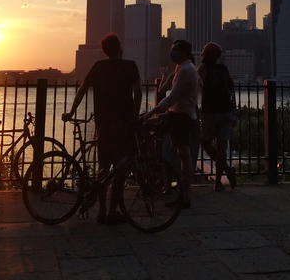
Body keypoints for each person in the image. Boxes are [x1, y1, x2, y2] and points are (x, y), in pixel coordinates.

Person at [63, 34, 141, 225]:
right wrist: (136, 115)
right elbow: (138, 91)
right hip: (124, 123)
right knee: (121, 169)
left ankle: (102, 211)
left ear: (105, 50)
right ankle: (113, 211)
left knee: (104, 167)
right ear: (120, 48)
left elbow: (82, 89)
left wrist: (72, 111)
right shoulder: (130, 66)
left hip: (104, 123)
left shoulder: (99, 66)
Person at [145, 39, 201, 208]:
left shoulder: (185, 70)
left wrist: (153, 111)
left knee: (182, 154)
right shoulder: (184, 68)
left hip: (180, 116)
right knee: (180, 153)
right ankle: (174, 187)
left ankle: (183, 194)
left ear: (184, 52)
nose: (172, 53)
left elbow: (172, 96)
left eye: (175, 50)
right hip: (179, 114)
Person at [197, 42, 237, 191]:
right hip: (226, 112)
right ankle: (219, 180)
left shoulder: (203, 68)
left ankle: (225, 171)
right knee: (222, 147)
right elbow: (231, 91)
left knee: (205, 142)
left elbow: (195, 84)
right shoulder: (224, 69)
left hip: (210, 112)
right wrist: (234, 112)